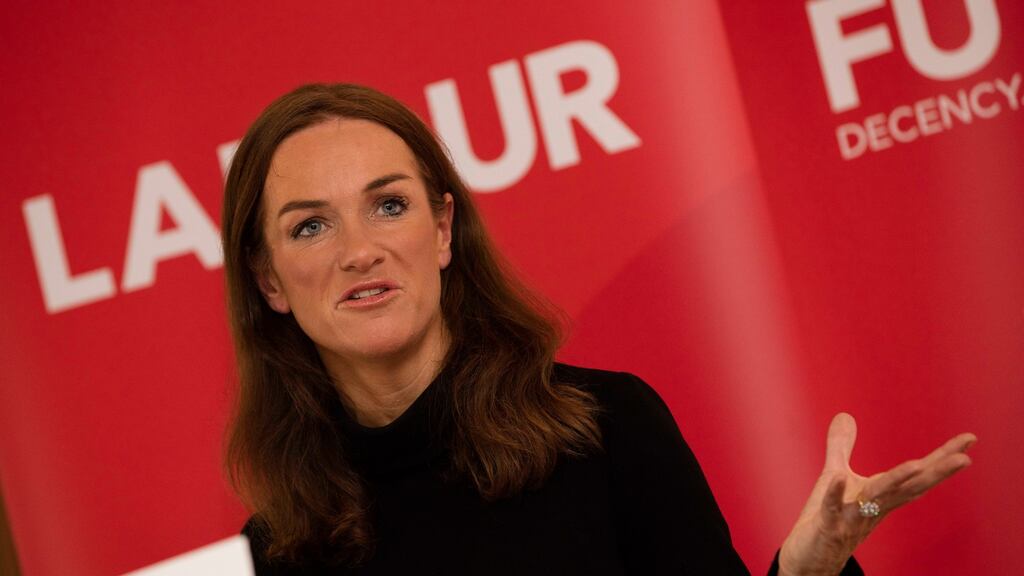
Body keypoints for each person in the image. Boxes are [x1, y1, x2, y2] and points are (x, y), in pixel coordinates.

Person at [221, 83, 976, 575]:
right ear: (269, 279)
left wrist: (812, 567)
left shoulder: (602, 429)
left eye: (389, 205)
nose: (360, 250)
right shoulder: (282, 545)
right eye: (311, 225)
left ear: (443, 231)